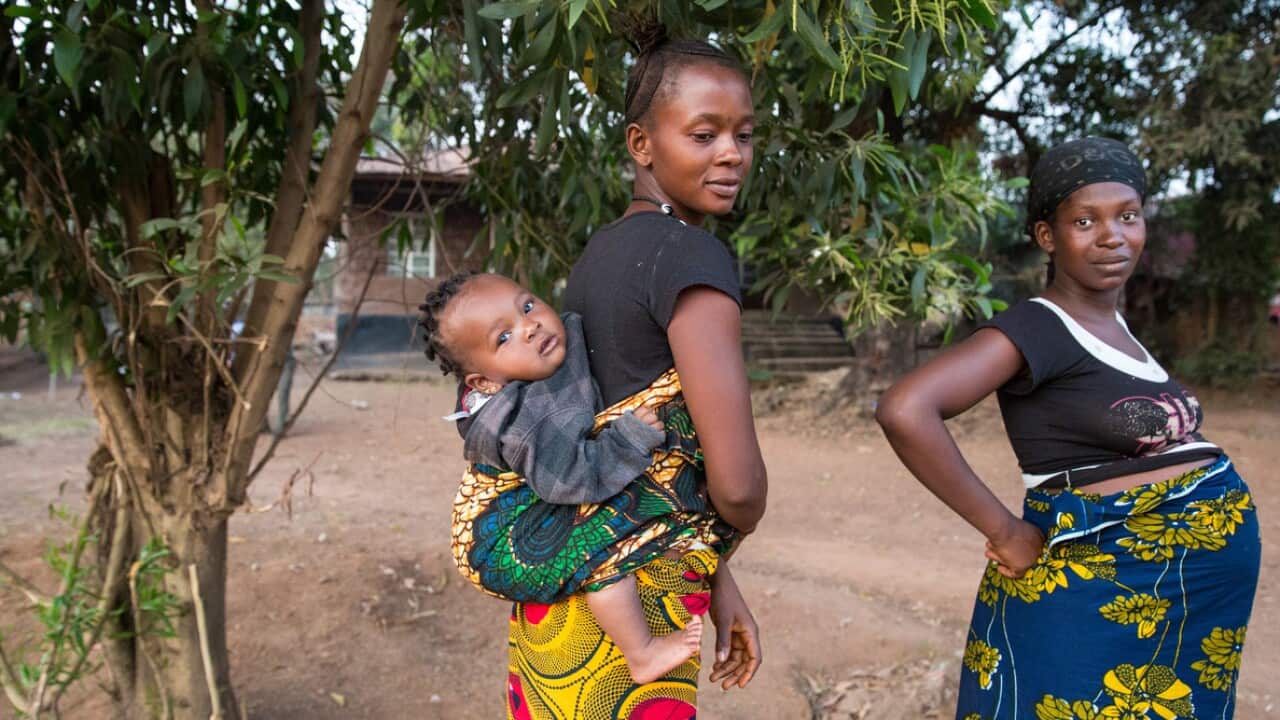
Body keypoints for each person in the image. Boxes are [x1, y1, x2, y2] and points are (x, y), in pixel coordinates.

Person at [876, 137, 1261, 719]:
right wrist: (1004, 530)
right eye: (1085, 221)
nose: (1113, 236)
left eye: (1127, 216)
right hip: (1101, 599)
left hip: (1179, 610)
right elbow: (906, 408)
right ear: (1047, 237)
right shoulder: (1040, 326)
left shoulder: (1117, 328)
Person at [500, 24, 768, 719]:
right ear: (641, 144)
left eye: (744, 134)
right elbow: (735, 486)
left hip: (569, 589)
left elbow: (628, 453)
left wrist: (722, 577)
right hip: (642, 604)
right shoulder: (692, 260)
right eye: (704, 135)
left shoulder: (599, 257)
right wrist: (736, 525)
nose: (732, 154)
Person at [419, 271, 708, 684]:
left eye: (527, 305)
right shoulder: (526, 421)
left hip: (521, 507)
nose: (530, 326)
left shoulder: (552, 346)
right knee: (606, 544)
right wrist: (627, 440)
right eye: (503, 338)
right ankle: (641, 653)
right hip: (492, 540)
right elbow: (570, 479)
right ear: (485, 382)